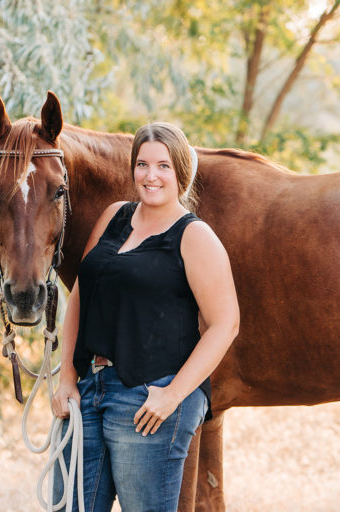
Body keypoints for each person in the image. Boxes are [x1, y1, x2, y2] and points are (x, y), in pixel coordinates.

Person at [51, 122, 239, 512]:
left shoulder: (194, 236)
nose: (150, 176)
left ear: (181, 172)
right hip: (90, 388)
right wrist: (67, 372)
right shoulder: (114, 217)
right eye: (142, 164)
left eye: (163, 166)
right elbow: (82, 297)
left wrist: (173, 395)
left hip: (149, 399)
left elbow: (226, 324)